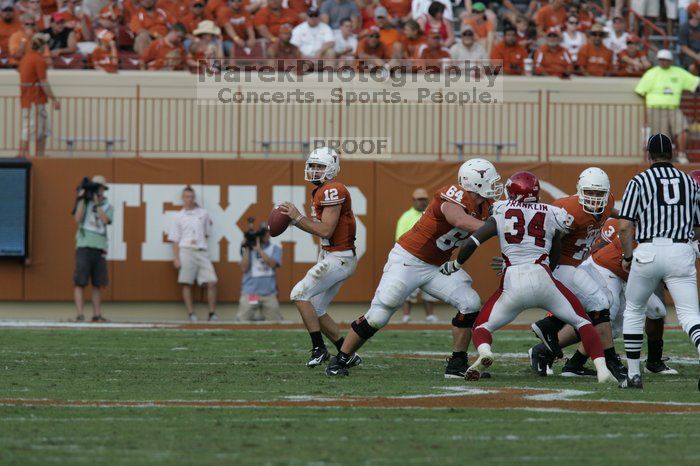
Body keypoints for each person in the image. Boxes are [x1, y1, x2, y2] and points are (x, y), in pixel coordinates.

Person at [325, 159, 502, 378]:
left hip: (436, 266)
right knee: (380, 313)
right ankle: (341, 359)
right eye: (489, 180)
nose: (495, 186)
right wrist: (496, 227)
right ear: (474, 182)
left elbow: (509, 220)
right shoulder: (453, 194)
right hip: (408, 259)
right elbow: (458, 219)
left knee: (470, 302)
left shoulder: (487, 205)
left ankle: (456, 364)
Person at [438, 171, 617, 384]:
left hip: (513, 280)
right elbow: (556, 247)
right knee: (584, 322)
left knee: (482, 327)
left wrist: (456, 264)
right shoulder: (553, 212)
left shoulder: (501, 208)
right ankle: (603, 369)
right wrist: (549, 272)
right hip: (542, 275)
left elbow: (471, 243)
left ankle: (485, 352)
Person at [527, 167, 627, 381]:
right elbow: (545, 239)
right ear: (580, 190)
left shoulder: (608, 202)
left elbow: (611, 212)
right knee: (599, 302)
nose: (595, 198)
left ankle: (549, 327)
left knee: (605, 302)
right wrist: (541, 265)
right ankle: (609, 359)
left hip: (580, 263)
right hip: (562, 265)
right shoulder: (567, 209)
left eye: (599, 193)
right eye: (590, 192)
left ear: (607, 192)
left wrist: (629, 216)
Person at [618, 133, 700, 389]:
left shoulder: (639, 181)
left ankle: (633, 375)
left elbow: (624, 227)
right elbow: (697, 226)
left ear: (648, 154)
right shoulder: (690, 182)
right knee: (689, 315)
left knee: (634, 309)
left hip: (649, 251)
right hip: (680, 250)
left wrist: (628, 256)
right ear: (673, 153)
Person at [278, 147, 362, 368]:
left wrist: (297, 218)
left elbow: (325, 230)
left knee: (298, 293)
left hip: (339, 258)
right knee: (315, 309)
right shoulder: (321, 190)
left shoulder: (333, 189)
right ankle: (347, 352)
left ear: (332, 169)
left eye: (320, 166)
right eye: (312, 166)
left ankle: (319, 348)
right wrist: (297, 220)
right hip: (331, 255)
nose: (314, 170)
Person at [587, 217, 677, 374]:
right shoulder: (631, 229)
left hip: (632, 276)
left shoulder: (664, 234)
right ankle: (571, 360)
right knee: (606, 319)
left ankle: (654, 362)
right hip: (610, 270)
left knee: (657, 311)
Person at [635, 49, 700, 164]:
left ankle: (681, 154)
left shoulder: (678, 72)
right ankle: (661, 160)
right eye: (661, 59)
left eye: (666, 60)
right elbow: (640, 91)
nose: (663, 62)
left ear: (671, 61)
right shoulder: (652, 73)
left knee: (683, 128)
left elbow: (695, 82)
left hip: (673, 108)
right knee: (660, 136)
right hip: (655, 109)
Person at [167, 186, 219, 323]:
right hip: (186, 250)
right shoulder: (178, 216)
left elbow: (207, 233)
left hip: (201, 250)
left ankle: (212, 313)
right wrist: (176, 258)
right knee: (186, 283)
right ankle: (191, 314)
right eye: (186, 197)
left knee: (212, 281)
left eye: (191, 197)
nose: (189, 199)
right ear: (182, 199)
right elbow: (175, 239)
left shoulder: (203, 213)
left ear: (194, 198)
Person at [394, 188, 439, 323]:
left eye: (424, 199)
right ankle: (406, 315)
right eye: (419, 200)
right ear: (413, 201)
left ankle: (430, 315)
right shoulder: (406, 217)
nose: (422, 202)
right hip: (412, 258)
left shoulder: (431, 215)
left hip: (430, 258)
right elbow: (399, 238)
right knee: (409, 289)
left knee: (430, 289)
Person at [73, 175, 113, 323]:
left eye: (101, 188)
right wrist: (82, 199)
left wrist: (97, 204)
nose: (99, 191)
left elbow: (106, 220)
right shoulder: (85, 202)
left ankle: (97, 314)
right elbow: (77, 219)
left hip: (99, 247)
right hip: (84, 245)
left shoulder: (108, 206)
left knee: (97, 283)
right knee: (80, 282)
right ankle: (80, 314)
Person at [18, 33, 59, 158]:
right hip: (34, 100)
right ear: (43, 46)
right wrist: (54, 99)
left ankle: (39, 154)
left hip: (30, 99)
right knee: (31, 127)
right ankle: (23, 154)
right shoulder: (39, 60)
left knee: (43, 129)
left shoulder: (26, 58)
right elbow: (43, 82)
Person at [236, 226, 284, 322]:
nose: (266, 236)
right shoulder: (249, 249)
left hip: (269, 294)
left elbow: (272, 264)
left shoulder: (275, 248)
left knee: (276, 323)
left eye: (267, 233)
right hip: (252, 294)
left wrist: (259, 250)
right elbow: (244, 268)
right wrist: (248, 248)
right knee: (242, 321)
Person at [680, 3, 700, 74]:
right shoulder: (684, 28)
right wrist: (697, 57)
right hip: (689, 55)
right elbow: (684, 48)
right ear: (693, 14)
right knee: (692, 67)